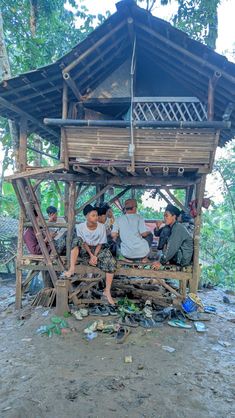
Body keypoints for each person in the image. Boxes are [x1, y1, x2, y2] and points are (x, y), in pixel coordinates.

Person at [65, 204, 116, 305]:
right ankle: (72, 268)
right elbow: (82, 243)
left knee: (111, 261)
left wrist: (95, 256)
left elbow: (101, 243)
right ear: (86, 216)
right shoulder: (80, 227)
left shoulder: (101, 227)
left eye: (96, 215)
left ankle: (107, 291)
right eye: (93, 215)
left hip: (97, 248)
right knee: (76, 240)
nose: (96, 217)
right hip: (85, 249)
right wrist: (91, 255)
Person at [152, 204, 193, 269]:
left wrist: (161, 262)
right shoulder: (168, 227)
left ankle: (165, 260)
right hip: (177, 256)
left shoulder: (178, 227)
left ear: (174, 216)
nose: (164, 218)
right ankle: (165, 259)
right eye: (164, 216)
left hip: (183, 260)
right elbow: (157, 233)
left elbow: (172, 246)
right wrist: (157, 227)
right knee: (165, 230)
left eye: (166, 216)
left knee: (161, 257)